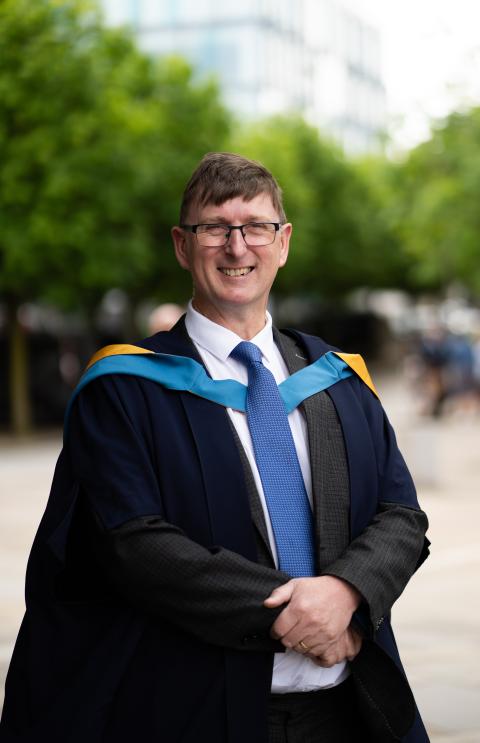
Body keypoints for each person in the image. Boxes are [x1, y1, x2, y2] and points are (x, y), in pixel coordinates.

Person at [1, 152, 430, 743]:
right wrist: (303, 614)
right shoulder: (125, 389)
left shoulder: (338, 378)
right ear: (182, 245)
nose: (237, 247)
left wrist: (346, 592)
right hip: (192, 706)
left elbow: (401, 515)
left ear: (283, 242)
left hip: (345, 709)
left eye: (256, 227)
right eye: (214, 229)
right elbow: (134, 545)